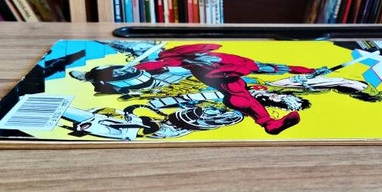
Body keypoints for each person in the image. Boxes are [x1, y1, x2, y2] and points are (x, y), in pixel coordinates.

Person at [136, 43, 319, 135]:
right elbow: (276, 68)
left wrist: (308, 70)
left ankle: (270, 125)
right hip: (234, 94)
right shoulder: (194, 63)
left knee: (253, 105)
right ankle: (270, 125)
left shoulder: (210, 61)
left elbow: (276, 67)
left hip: (236, 93)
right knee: (250, 103)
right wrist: (134, 69)